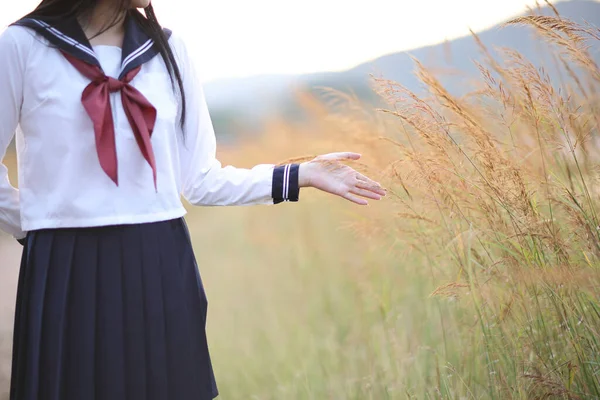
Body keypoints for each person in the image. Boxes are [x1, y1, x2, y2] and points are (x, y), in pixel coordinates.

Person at [0, 0, 386, 398]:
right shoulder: (23, 46)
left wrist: (302, 173)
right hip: (68, 270)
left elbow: (201, 179)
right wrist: (36, 230)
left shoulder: (167, 51)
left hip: (158, 262)